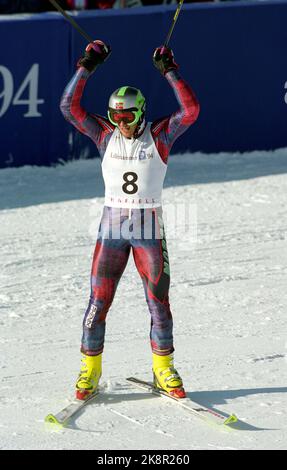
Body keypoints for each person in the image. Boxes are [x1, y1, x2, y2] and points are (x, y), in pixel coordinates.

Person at [60, 40, 200, 401]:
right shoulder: (104, 135)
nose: (121, 123)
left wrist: (170, 71)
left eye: (129, 116)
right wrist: (87, 65)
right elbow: (68, 107)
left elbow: (191, 110)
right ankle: (89, 371)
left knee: (158, 301)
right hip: (112, 227)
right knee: (98, 302)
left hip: (148, 229)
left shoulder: (160, 135)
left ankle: (164, 368)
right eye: (116, 115)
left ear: (141, 113)